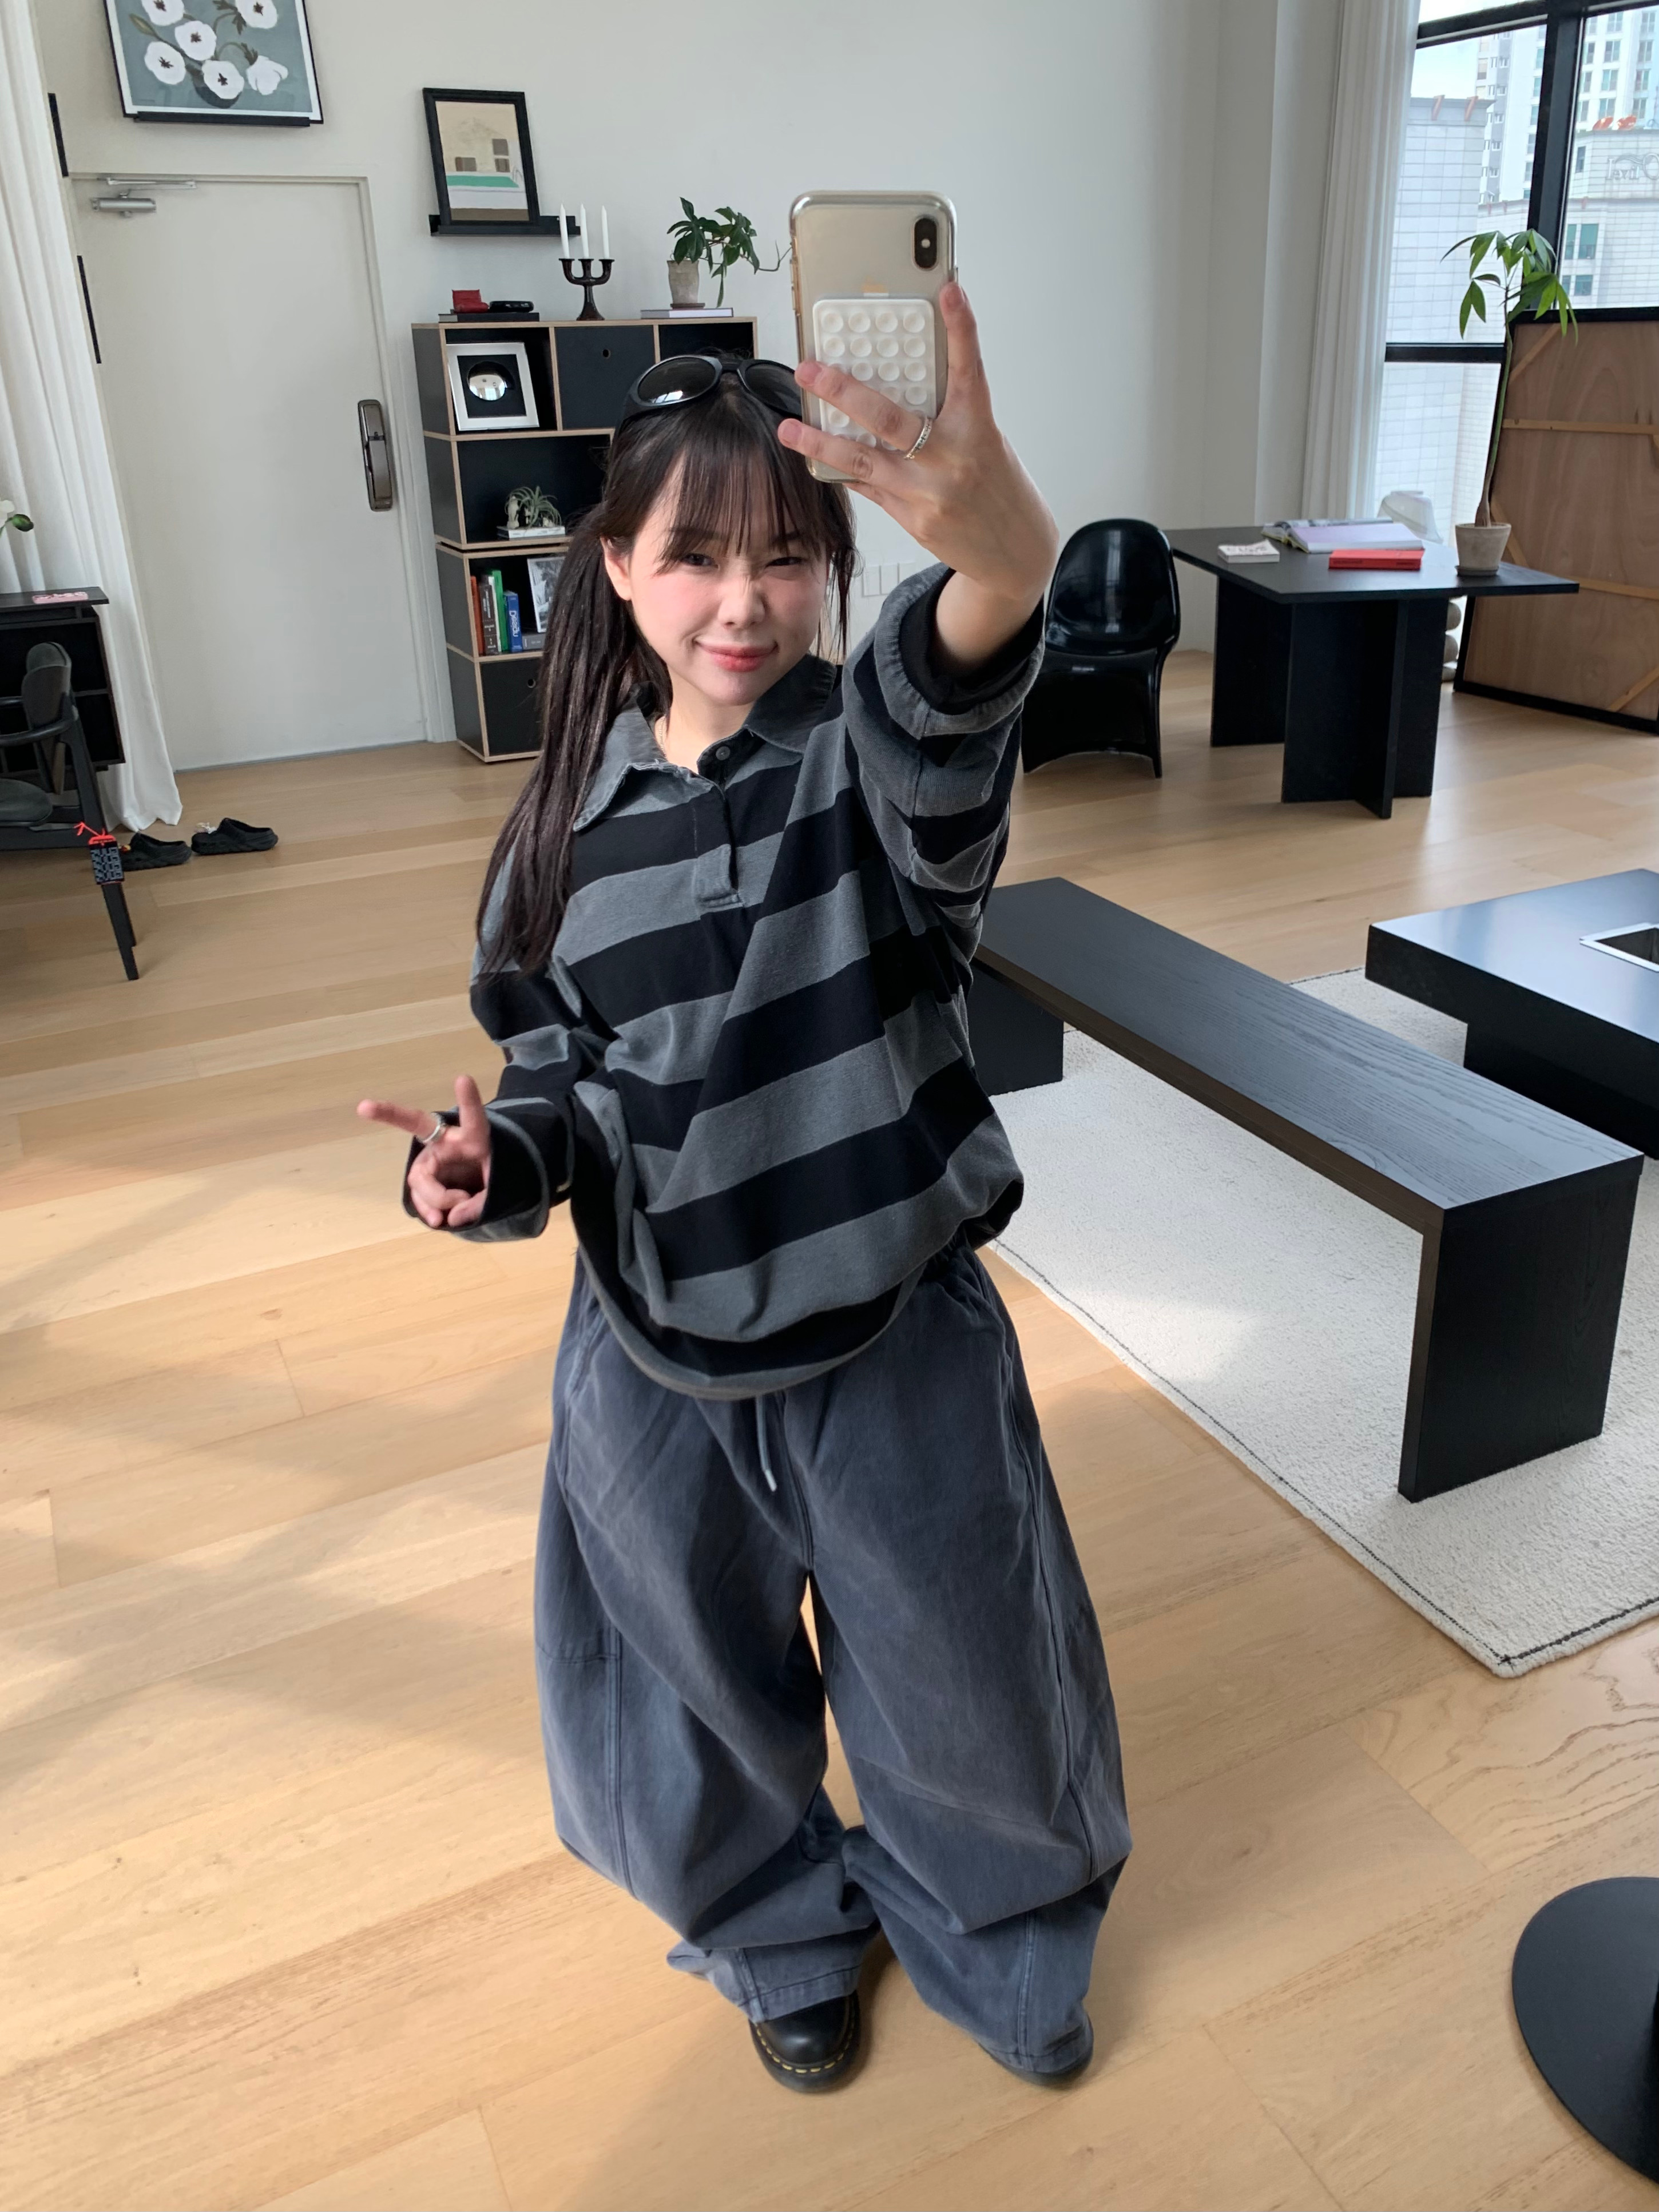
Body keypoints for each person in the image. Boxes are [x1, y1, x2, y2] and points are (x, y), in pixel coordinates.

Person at [360, 285, 1130, 2094]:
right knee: (680, 1690)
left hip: (894, 1329)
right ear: (616, 568)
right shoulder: (552, 838)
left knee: (967, 1675)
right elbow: (556, 1078)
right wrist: (487, 1163)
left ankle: (1005, 1931)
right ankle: (777, 1929)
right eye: (695, 556)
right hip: (652, 1353)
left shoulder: (866, 765)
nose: (743, 600)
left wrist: (1004, 556)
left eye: (787, 556)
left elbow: (953, 687)